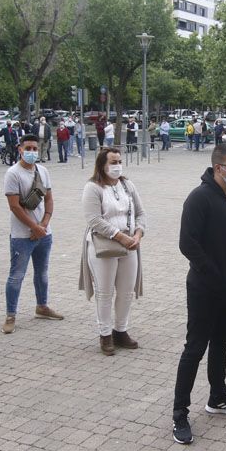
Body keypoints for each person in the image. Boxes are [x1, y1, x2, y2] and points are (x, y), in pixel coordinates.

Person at [172, 144, 226, 444]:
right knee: (195, 349)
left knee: (221, 345)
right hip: (205, 289)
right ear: (218, 168)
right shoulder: (200, 198)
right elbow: (188, 244)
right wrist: (215, 275)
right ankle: (180, 413)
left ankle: (218, 397)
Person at [80, 147, 147, 354]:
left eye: (119, 161)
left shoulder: (127, 185)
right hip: (104, 245)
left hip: (130, 245)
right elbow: (94, 219)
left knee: (126, 291)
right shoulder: (93, 187)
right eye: (113, 162)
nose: (117, 166)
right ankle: (105, 334)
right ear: (102, 165)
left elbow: (141, 213)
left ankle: (121, 330)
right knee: (105, 291)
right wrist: (120, 236)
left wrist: (137, 234)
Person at [1, 135, 63, 334]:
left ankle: (42, 306)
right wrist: (33, 227)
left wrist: (44, 224)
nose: (32, 152)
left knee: (42, 273)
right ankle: (11, 314)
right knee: (16, 276)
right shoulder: (13, 173)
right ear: (20, 149)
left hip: (44, 233)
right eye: (28, 148)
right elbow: (14, 206)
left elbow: (50, 199)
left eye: (35, 148)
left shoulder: (43, 171)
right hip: (22, 235)